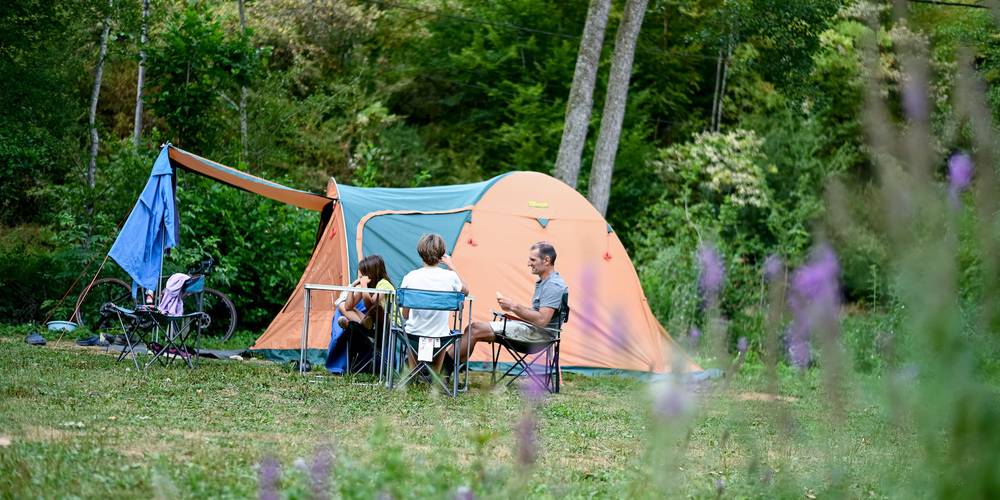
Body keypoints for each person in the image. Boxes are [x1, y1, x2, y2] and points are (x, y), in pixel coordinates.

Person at [462, 241, 568, 357]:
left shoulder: (553, 285)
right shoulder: (545, 282)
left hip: (538, 337)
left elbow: (542, 320)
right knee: (472, 329)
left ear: (546, 260)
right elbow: (537, 314)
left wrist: (514, 306)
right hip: (534, 332)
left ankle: (445, 370)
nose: (528, 264)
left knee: (475, 329)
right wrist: (512, 308)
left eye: (533, 260)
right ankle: (448, 368)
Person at [399, 233, 469, 371]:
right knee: (440, 331)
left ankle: (413, 373)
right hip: (440, 337)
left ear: (420, 253)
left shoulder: (411, 277)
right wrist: (452, 266)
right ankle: (435, 374)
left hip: (413, 336)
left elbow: (405, 315)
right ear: (441, 255)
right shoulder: (450, 277)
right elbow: (466, 291)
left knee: (411, 330)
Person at [325, 255, 393, 374]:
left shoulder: (384, 284)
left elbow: (371, 305)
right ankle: (361, 323)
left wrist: (364, 287)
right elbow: (348, 306)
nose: (361, 276)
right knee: (343, 305)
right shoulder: (365, 286)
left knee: (377, 308)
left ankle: (356, 323)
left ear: (371, 273)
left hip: (386, 324)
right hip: (370, 323)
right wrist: (353, 286)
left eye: (363, 274)